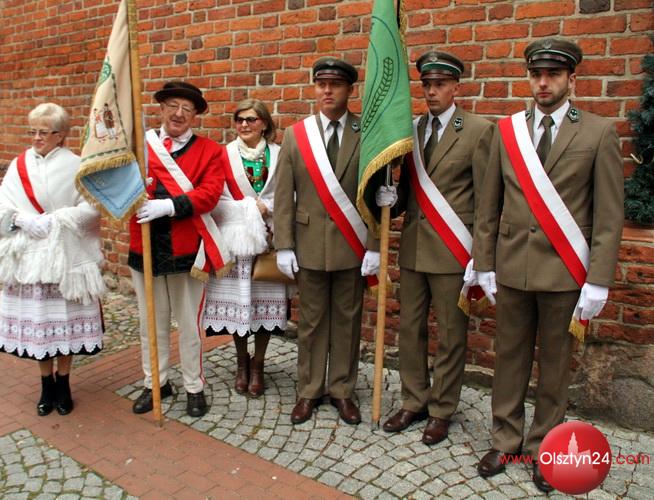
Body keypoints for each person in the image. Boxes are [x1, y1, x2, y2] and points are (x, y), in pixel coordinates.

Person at [471, 39, 623, 492]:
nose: (543, 83)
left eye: (553, 74)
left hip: (564, 273)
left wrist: (599, 280)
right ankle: (505, 440)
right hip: (513, 268)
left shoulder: (598, 132)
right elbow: (488, 206)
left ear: (571, 78)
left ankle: (544, 448)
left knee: (555, 366)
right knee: (509, 359)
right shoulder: (507, 132)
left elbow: (608, 215)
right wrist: (484, 263)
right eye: (536, 74)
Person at [377, 51, 495, 444]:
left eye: (440, 84)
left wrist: (482, 256)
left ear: (456, 87)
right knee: (409, 330)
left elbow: (487, 200)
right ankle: (413, 400)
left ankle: (442, 409)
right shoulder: (411, 131)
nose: (431, 91)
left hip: (453, 250)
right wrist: (390, 199)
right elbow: (409, 193)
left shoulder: (478, 131)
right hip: (414, 248)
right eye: (427, 85)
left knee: (450, 334)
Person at [273, 57, 380, 425]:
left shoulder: (367, 132)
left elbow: (377, 195)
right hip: (309, 243)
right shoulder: (296, 134)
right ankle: (309, 390)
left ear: (350, 89)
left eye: (335, 84)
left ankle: (342, 390)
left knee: (348, 322)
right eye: (322, 84)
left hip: (352, 244)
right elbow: (284, 194)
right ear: (315, 88)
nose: (328, 91)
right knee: (311, 322)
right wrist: (283, 244)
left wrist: (375, 245)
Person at [0, 102, 106, 417]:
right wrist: (19, 219)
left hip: (64, 262)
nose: (36, 138)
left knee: (63, 326)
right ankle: (45, 385)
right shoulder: (19, 165)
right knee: (41, 324)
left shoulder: (77, 165)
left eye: (43, 132)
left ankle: (63, 383)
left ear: (60, 135)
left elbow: (92, 209)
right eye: (33, 131)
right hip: (30, 264)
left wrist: (56, 220)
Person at [129, 81, 227, 418]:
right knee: (151, 324)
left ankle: (193, 387)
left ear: (195, 115)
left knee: (189, 325)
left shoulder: (210, 151)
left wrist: (169, 206)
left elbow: (210, 194)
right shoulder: (139, 147)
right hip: (145, 248)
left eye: (187, 108)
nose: (178, 113)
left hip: (187, 250)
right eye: (172, 105)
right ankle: (155, 383)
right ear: (161, 108)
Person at [202, 98, 287, 397]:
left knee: (265, 304)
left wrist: (267, 207)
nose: (244, 125)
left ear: (264, 123)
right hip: (235, 242)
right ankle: (241, 362)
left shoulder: (280, 154)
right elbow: (216, 198)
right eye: (239, 120)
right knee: (239, 307)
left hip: (269, 242)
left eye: (251, 119)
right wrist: (250, 210)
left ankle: (258, 364)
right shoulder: (222, 155)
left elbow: (290, 193)